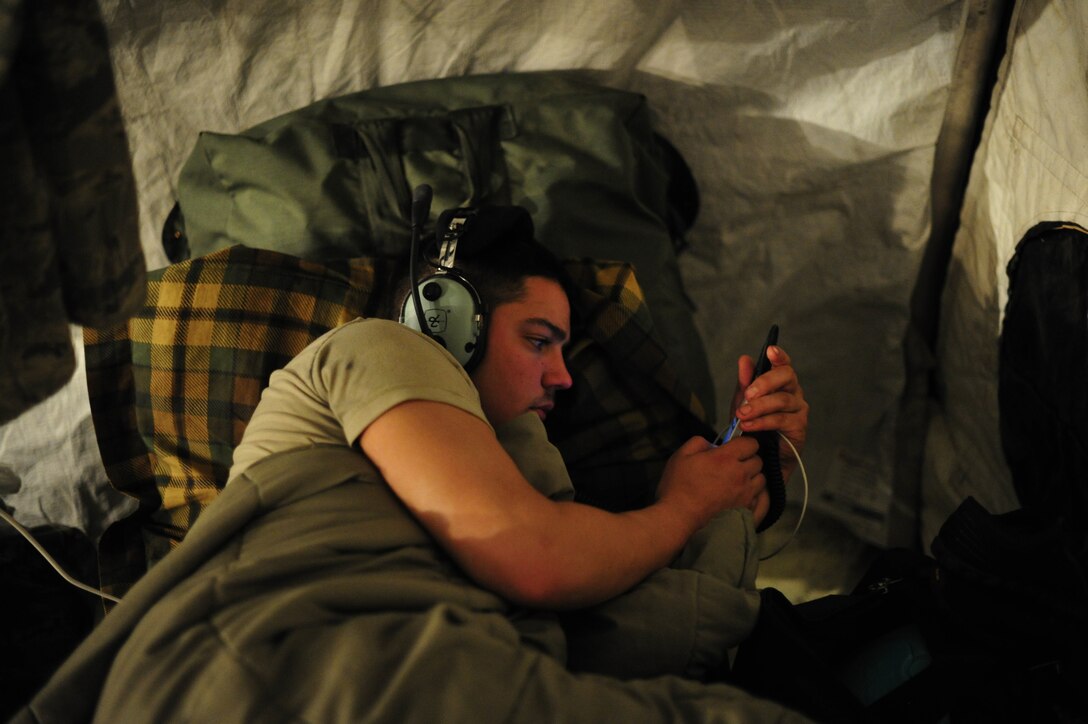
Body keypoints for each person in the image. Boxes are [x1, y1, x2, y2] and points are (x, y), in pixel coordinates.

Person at [17, 206, 812, 723]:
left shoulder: (526, 486)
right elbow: (539, 560)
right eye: (540, 340)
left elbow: (632, 625)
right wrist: (676, 510)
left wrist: (741, 482)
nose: (566, 378)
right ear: (450, 317)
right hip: (300, 674)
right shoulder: (378, 349)